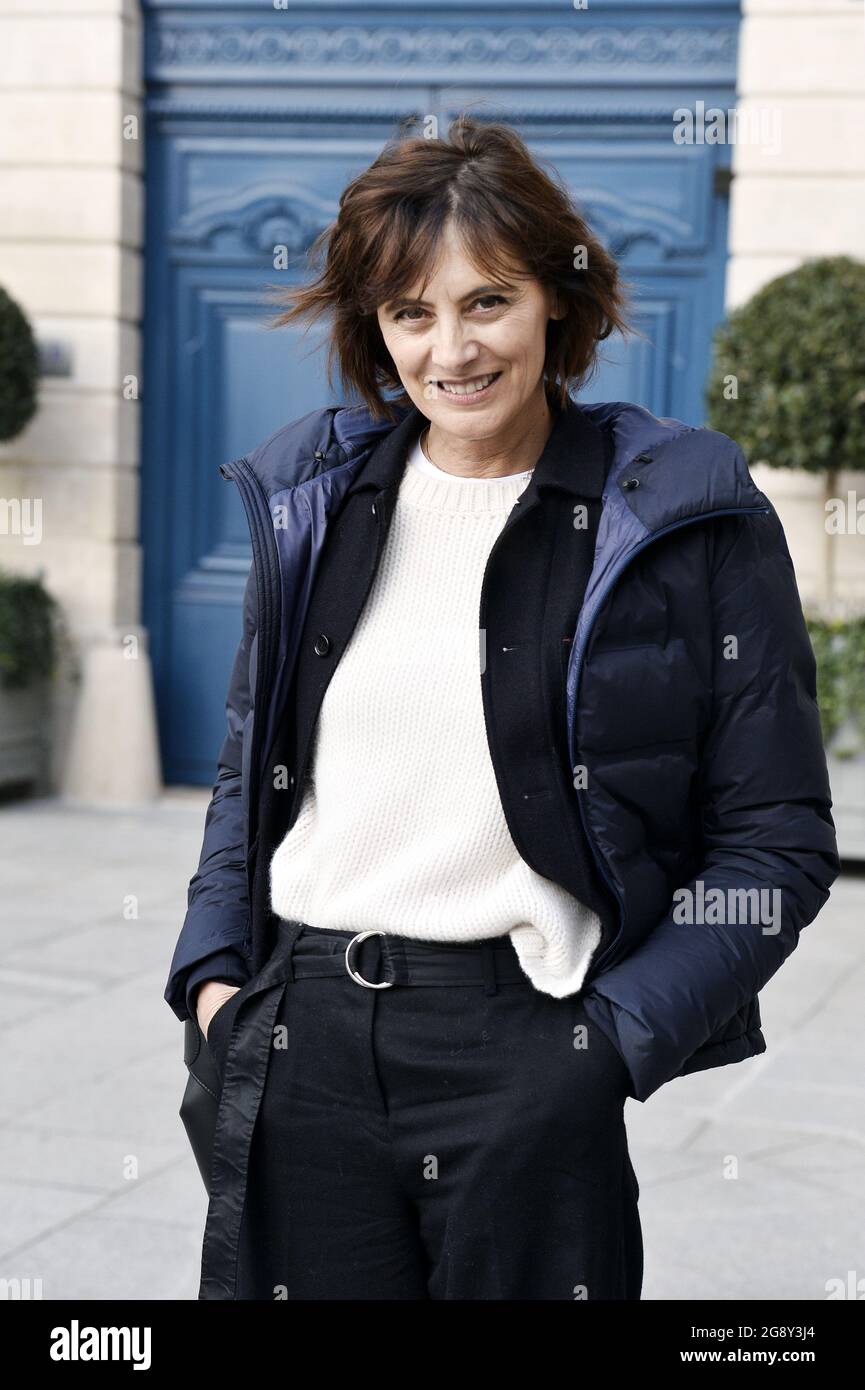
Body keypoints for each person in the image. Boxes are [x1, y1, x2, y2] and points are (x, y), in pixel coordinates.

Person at [164, 116, 840, 1301]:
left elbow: (775, 840)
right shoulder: (313, 504)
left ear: (557, 303)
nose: (450, 349)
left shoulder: (687, 518)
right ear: (374, 327)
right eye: (410, 313)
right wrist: (216, 984)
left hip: (529, 1044)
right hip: (300, 1036)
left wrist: (610, 1045)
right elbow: (249, 778)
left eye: (488, 302)